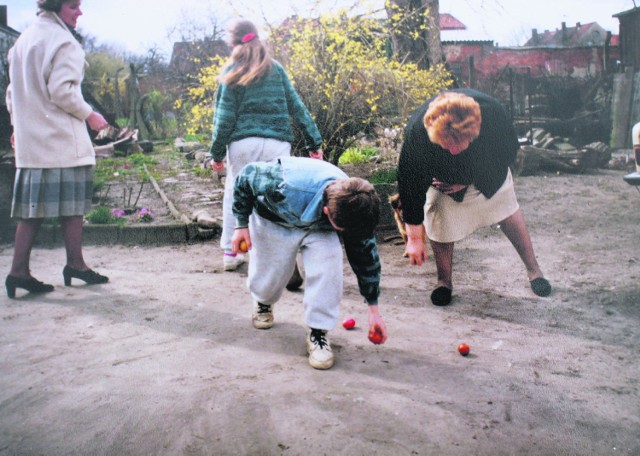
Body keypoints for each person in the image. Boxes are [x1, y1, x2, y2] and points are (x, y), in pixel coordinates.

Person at [397, 88, 552, 306]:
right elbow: (409, 180)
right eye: (444, 145)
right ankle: (444, 282)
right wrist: (413, 238)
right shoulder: (418, 132)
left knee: (507, 210)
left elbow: (508, 153)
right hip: (442, 182)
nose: (450, 151)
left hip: (487, 173)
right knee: (439, 220)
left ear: (473, 133)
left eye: (456, 145)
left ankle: (534, 270)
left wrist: (468, 179)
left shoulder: (493, 115)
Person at [230, 156, 388, 370]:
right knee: (268, 275)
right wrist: (240, 225)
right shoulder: (283, 183)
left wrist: (373, 309)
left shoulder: (356, 206)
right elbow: (246, 175)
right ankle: (263, 301)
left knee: (329, 267)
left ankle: (318, 331)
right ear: (327, 212)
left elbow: (366, 258)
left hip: (319, 228)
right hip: (275, 215)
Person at [4, 0, 109, 299]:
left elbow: (13, 93)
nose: (79, 12)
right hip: (61, 138)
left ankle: (18, 272)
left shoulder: (24, 39)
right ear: (56, 6)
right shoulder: (64, 42)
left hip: (33, 142)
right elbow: (62, 91)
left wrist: (17, 126)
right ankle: (75, 265)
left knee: (32, 211)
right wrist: (90, 115)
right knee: (73, 206)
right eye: (73, 6)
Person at [208, 19, 323, 272]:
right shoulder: (276, 69)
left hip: (243, 143)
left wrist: (216, 153)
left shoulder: (231, 71)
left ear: (233, 42)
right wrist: (314, 141)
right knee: (273, 195)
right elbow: (297, 107)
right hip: (277, 143)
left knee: (235, 192)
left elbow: (224, 119)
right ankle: (277, 254)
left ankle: (232, 252)